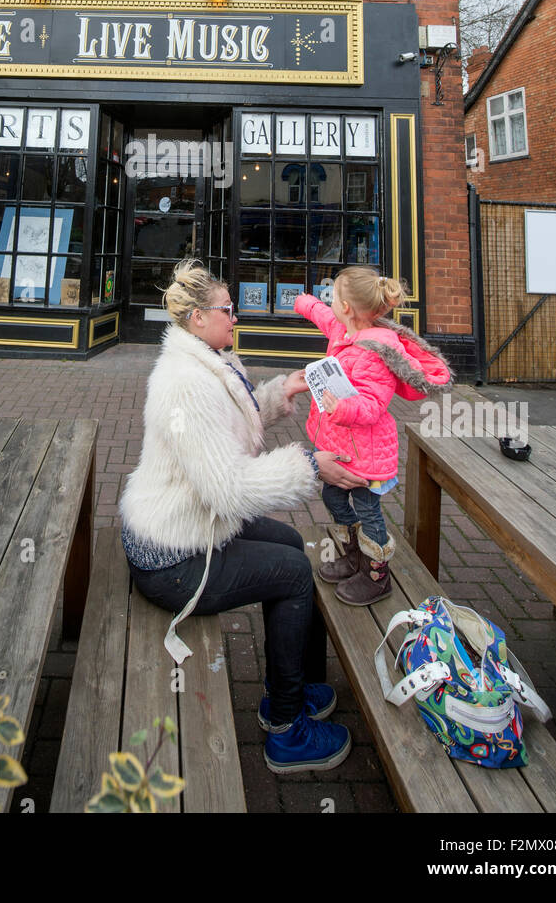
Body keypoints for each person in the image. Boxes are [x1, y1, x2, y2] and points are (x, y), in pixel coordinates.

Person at [120, 258, 368, 774]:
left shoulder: (208, 360)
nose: (236, 318)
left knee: (290, 544)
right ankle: (286, 730)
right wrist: (309, 465)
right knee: (296, 573)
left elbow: (232, 421)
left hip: (195, 525)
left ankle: (291, 686)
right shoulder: (185, 383)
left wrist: (284, 391)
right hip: (171, 557)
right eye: (228, 310)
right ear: (196, 319)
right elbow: (229, 489)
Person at [294, 269, 452, 605]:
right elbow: (323, 315)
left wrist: (342, 408)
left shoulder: (376, 351)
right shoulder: (343, 328)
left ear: (347, 307)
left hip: (366, 451)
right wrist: (304, 303)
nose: (330, 303)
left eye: (333, 297)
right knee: (334, 499)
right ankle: (353, 555)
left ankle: (377, 575)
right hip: (339, 443)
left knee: (368, 511)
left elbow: (372, 405)